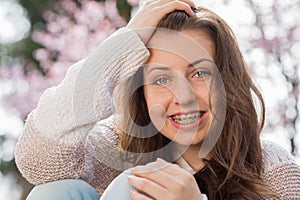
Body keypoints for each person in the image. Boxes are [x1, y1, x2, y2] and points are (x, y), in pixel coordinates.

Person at [15, 0, 300, 199]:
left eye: (200, 73)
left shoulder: (274, 170)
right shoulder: (114, 148)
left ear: (227, 82)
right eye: (161, 79)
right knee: (54, 192)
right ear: (143, 93)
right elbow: (36, 160)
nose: (183, 98)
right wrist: (124, 42)